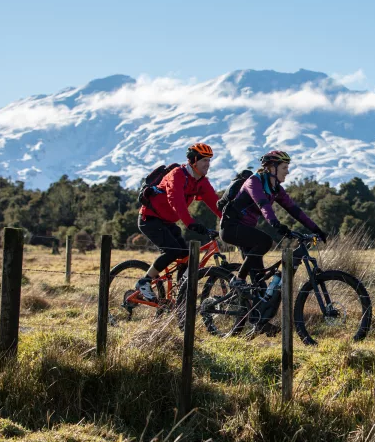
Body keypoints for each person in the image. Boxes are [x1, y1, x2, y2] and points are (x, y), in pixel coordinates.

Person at [220, 150, 328, 336]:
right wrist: (275, 224)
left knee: (260, 282)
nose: (287, 172)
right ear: (271, 168)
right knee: (265, 241)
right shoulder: (254, 181)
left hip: (247, 231)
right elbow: (263, 205)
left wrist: (315, 229)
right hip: (232, 228)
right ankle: (238, 280)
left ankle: (259, 322)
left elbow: (294, 209)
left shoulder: (276, 187)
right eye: (284, 168)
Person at [131, 143, 221, 302]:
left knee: (186, 255)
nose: (208, 164)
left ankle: (181, 293)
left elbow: (215, 203)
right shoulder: (177, 175)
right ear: (194, 161)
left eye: (209, 161)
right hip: (150, 219)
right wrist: (190, 222)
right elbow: (176, 200)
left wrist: (229, 221)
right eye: (204, 161)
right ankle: (143, 282)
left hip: (168, 221)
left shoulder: (201, 181)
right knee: (172, 252)